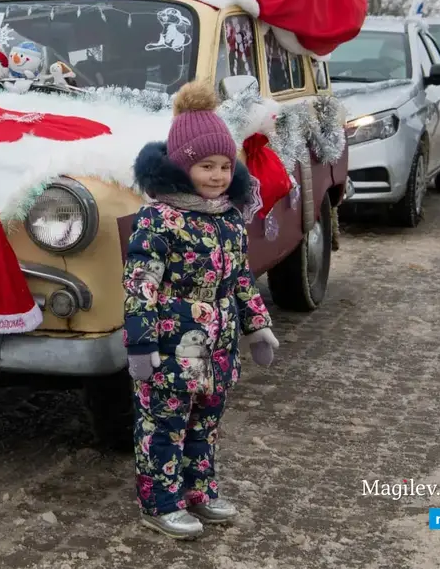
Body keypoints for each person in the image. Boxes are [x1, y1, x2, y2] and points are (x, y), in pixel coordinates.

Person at [123, 80, 279, 540]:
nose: (216, 175)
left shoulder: (228, 217)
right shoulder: (159, 218)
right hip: (170, 349)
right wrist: (140, 342)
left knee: (205, 423)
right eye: (205, 166)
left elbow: (240, 277)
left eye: (225, 166)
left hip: (219, 347)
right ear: (181, 165)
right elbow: (140, 285)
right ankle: (160, 500)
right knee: (164, 425)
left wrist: (257, 326)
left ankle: (199, 489)